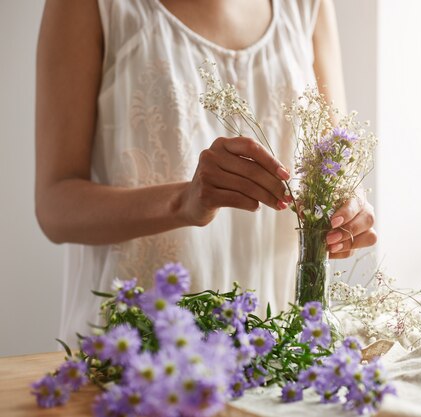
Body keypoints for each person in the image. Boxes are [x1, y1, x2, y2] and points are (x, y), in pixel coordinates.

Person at [35, 0, 376, 344]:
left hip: (276, 349)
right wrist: (182, 201)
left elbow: (334, 162)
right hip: (137, 353)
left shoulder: (309, 6)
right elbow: (54, 206)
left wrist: (348, 210)